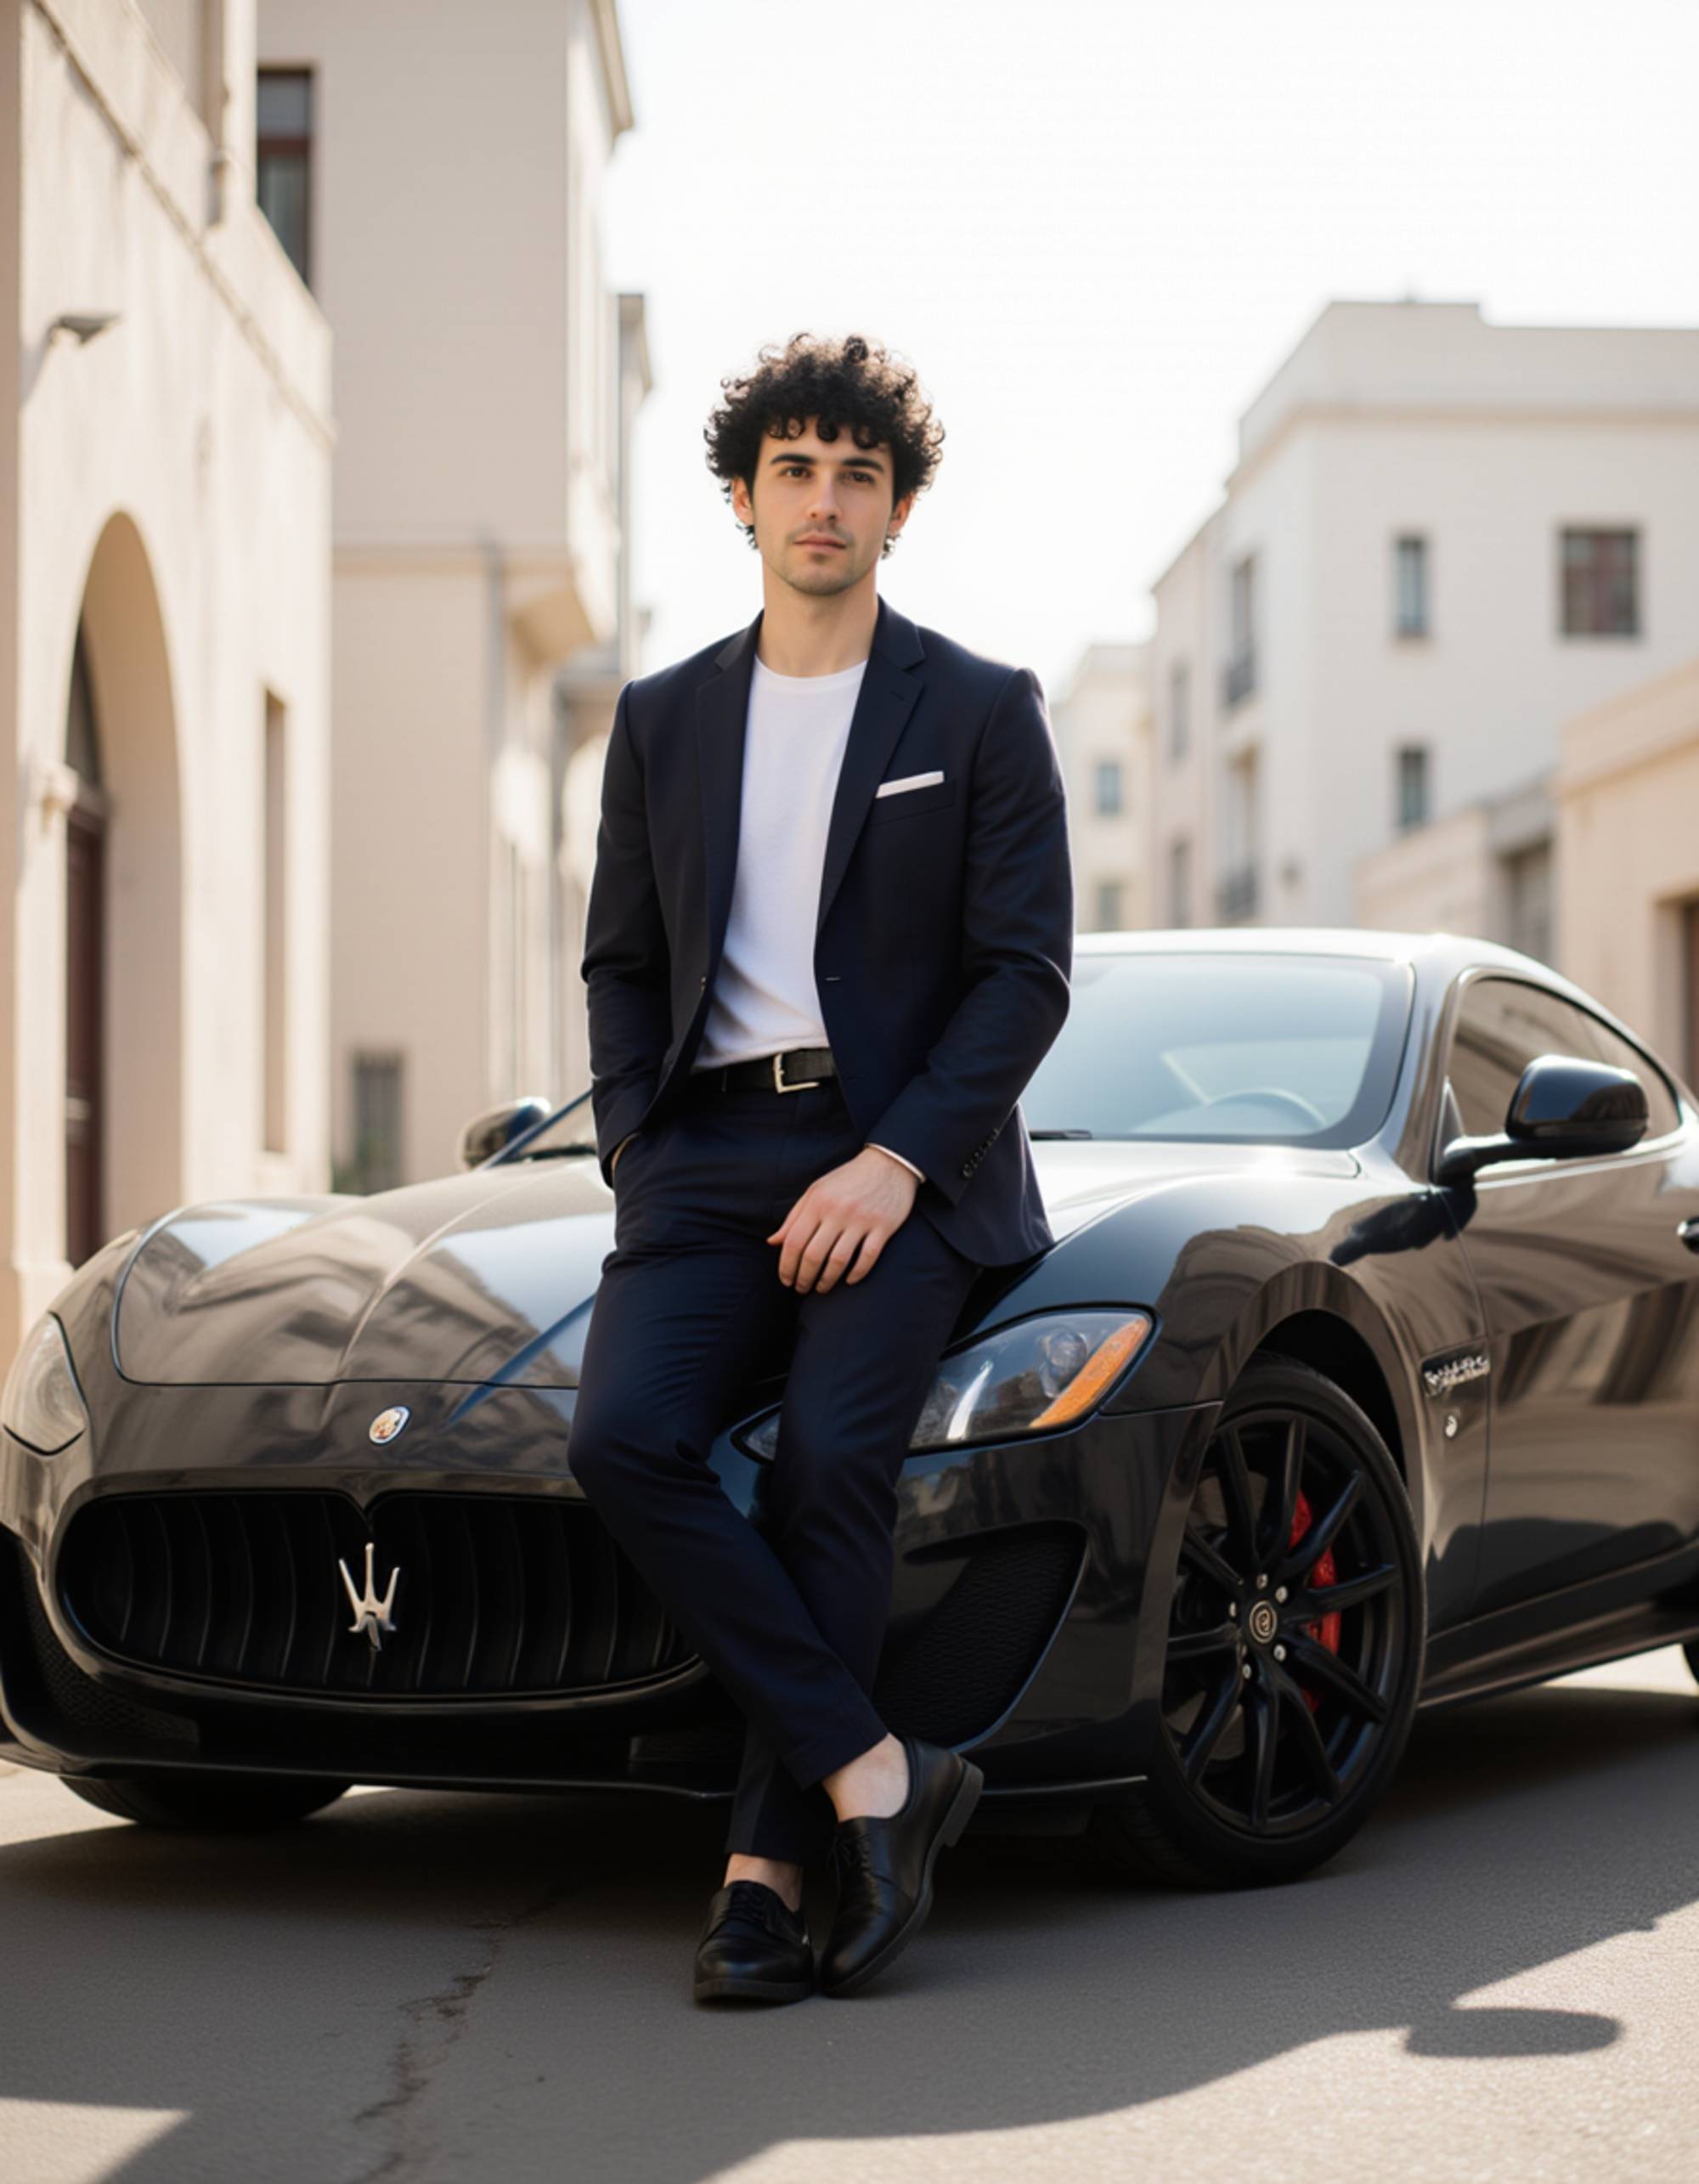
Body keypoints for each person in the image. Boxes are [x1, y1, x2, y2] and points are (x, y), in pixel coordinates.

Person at [570, 330, 1074, 2003]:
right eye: (793, 466)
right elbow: (623, 959)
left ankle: (762, 1868)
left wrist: (889, 1163)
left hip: (901, 1158)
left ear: (896, 509)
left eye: (857, 472)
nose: (823, 498)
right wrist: (639, 1144)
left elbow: (1024, 971)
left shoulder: (982, 709)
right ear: (742, 496)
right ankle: (878, 1771)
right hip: (705, 1151)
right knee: (625, 1439)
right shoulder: (659, 719)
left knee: (824, 1466)